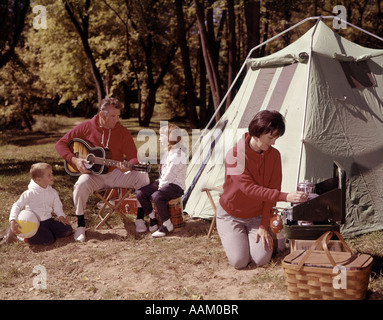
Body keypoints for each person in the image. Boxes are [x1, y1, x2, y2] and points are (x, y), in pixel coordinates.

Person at [216, 110, 308, 269]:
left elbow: (272, 192)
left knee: (261, 260)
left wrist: (263, 225)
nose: (273, 143)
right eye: (270, 137)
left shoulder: (274, 156)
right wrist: (286, 197)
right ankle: (236, 237)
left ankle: (252, 238)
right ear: (257, 132)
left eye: (276, 138)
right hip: (231, 215)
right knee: (239, 262)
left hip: (256, 216)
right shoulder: (235, 155)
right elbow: (249, 189)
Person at [55, 97, 150, 242]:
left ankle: (139, 219)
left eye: (118, 116)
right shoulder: (86, 127)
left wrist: (128, 165)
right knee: (80, 185)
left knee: (142, 175)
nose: (117, 120)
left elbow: (133, 158)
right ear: (101, 115)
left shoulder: (122, 131)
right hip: (94, 175)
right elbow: (60, 144)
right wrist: (73, 159)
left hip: (116, 173)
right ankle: (80, 226)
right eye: (113, 116)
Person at [135, 123, 187, 237]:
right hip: (164, 182)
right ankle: (153, 219)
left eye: (162, 136)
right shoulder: (168, 152)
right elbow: (164, 175)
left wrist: (159, 187)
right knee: (140, 193)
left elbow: (170, 176)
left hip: (175, 186)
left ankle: (167, 224)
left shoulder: (178, 155)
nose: (159, 139)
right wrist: (158, 184)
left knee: (156, 196)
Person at [9, 163, 73, 245]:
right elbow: (17, 205)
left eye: (52, 173)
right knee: (48, 240)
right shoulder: (29, 193)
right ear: (38, 179)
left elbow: (57, 206)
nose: (52, 177)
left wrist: (61, 216)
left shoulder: (53, 192)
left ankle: (47, 232)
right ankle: (25, 237)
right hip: (35, 223)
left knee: (67, 229)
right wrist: (13, 220)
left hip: (49, 220)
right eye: (49, 175)